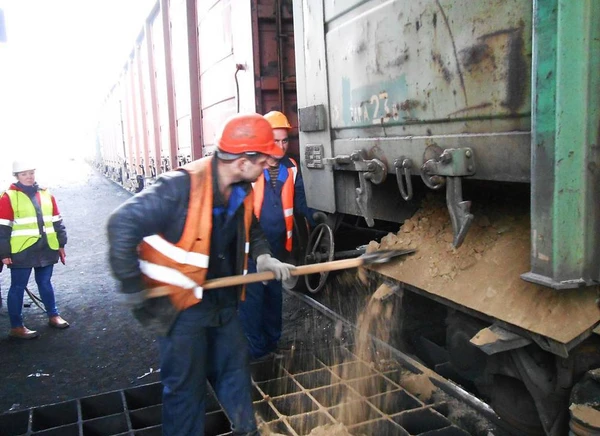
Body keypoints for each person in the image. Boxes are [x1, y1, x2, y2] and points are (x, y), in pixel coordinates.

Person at [107, 113, 295, 436]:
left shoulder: (242, 187)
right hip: (182, 307)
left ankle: (246, 431)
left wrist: (264, 257)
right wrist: (132, 286)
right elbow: (121, 224)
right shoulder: (179, 187)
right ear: (242, 159)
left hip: (222, 302)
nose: (267, 166)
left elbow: (252, 226)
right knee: (186, 388)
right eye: (263, 159)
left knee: (235, 370)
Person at [238, 110, 320, 361]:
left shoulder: (292, 168)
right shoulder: (250, 168)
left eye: (285, 141)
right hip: (251, 250)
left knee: (274, 299)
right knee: (252, 302)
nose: (281, 146)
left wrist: (315, 217)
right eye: (275, 141)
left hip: (277, 246)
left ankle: (272, 346)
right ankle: (255, 354)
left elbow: (301, 201)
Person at [0, 160, 69, 339]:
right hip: (22, 251)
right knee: (18, 287)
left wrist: (61, 244)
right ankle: (16, 326)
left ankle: (53, 316)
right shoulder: (8, 197)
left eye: (31, 173)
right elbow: (2, 228)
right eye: (24, 174)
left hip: (46, 248)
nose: (29, 177)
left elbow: (57, 221)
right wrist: (4, 253)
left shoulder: (46, 194)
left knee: (45, 283)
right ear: (17, 176)